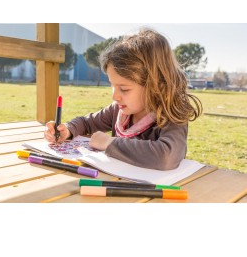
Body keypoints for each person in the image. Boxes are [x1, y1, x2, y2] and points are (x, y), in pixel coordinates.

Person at [44, 28, 202, 170]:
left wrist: (109, 143)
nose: (115, 96)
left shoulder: (171, 115)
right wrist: (68, 130)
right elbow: (87, 123)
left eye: (124, 89)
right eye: (112, 86)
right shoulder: (119, 110)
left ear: (156, 86)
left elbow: (167, 156)